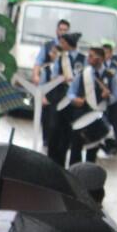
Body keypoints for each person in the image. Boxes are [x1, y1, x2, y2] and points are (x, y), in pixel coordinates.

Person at [65, 46, 117, 165]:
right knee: (75, 150)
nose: (88, 58)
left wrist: (108, 97)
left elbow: (116, 98)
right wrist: (75, 99)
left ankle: (88, 180)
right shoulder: (83, 73)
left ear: (100, 58)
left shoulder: (110, 76)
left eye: (91, 56)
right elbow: (71, 92)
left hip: (98, 116)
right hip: (81, 115)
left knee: (92, 152)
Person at [45, 31, 86, 167]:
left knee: (68, 133)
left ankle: (63, 164)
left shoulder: (83, 58)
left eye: (63, 42)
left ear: (69, 44)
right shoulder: (61, 58)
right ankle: (52, 161)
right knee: (54, 129)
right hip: (59, 97)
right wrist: (63, 78)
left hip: (74, 102)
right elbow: (53, 76)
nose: (60, 44)